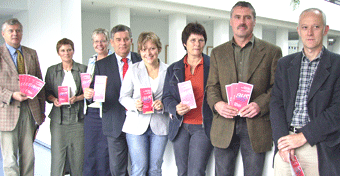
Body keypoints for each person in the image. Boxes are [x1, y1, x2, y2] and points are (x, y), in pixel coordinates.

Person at [206, 1, 282, 175]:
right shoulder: (218, 52)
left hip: (255, 124)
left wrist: (259, 105)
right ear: (231, 21)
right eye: (237, 17)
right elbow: (211, 87)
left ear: (254, 21)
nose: (242, 22)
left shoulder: (272, 52)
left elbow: (276, 89)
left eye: (247, 17)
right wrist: (218, 104)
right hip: (224, 123)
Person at [270, 8, 340, 175]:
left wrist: (303, 137)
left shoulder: (337, 65)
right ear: (298, 30)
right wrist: (283, 142)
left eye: (316, 27)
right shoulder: (285, 64)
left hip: (318, 146)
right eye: (304, 27)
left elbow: (337, 110)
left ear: (325, 30)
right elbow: (276, 103)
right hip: (286, 144)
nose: (309, 33)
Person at [84, 24, 142, 176]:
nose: (122, 43)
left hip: (139, 121)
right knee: (117, 170)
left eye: (125, 39)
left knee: (140, 167)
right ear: (112, 42)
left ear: (131, 40)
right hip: (114, 122)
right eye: (118, 39)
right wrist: (89, 95)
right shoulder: (101, 65)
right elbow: (92, 92)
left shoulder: (141, 60)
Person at [162, 22, 213, 176]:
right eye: (192, 40)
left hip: (203, 127)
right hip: (180, 126)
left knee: (196, 171)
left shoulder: (212, 66)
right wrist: (175, 108)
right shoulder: (174, 68)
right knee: (182, 171)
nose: (197, 44)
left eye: (201, 40)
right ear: (185, 43)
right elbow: (167, 97)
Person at [0, 18, 45, 176]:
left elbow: (39, 83)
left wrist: (42, 112)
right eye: (11, 31)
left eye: (18, 30)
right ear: (3, 34)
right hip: (7, 112)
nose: (15, 34)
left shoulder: (31, 53)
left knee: (28, 156)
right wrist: (11, 95)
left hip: (29, 110)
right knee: (10, 158)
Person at [119, 31, 169, 176]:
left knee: (155, 169)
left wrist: (163, 104)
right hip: (136, 125)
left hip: (160, 125)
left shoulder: (168, 70)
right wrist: (135, 104)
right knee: (139, 169)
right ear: (140, 51)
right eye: (143, 49)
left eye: (152, 48)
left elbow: (173, 97)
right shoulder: (133, 70)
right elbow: (123, 97)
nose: (148, 53)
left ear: (159, 49)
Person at [45, 38, 87, 176]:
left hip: (78, 119)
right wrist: (54, 99)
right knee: (58, 157)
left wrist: (77, 98)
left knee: (78, 157)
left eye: (69, 49)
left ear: (73, 51)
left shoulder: (83, 69)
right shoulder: (52, 71)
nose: (66, 53)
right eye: (63, 50)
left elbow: (89, 93)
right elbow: (47, 93)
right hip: (58, 120)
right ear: (58, 53)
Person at [83, 28, 112, 176]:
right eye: (96, 41)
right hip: (91, 112)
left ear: (108, 42)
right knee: (90, 150)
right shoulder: (91, 61)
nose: (99, 44)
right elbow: (88, 85)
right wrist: (86, 94)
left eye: (102, 41)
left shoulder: (114, 60)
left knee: (105, 152)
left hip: (108, 111)